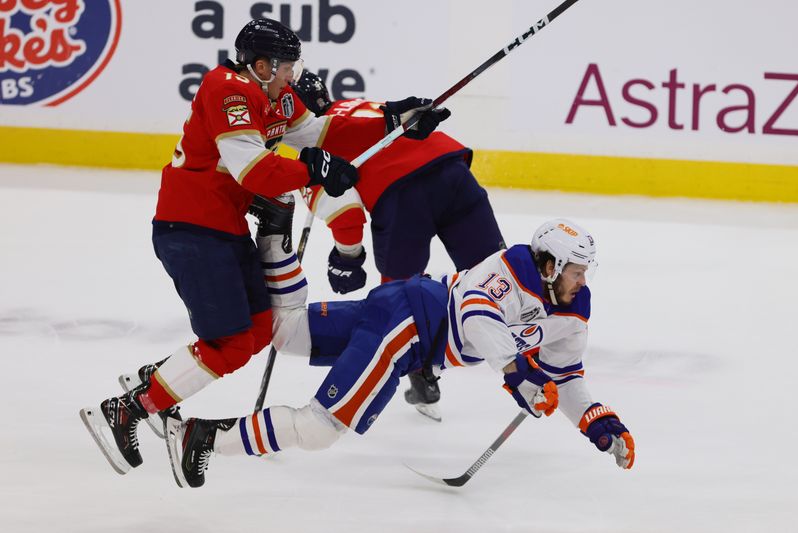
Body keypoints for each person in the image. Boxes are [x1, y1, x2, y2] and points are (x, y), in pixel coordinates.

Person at [79, 18, 449, 476]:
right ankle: (127, 409)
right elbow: (253, 172)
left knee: (255, 332)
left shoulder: (274, 94)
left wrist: (394, 118)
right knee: (231, 344)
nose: (293, 76)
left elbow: (320, 131)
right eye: (287, 68)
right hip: (191, 230)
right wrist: (314, 171)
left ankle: (149, 384)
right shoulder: (227, 91)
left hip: (223, 229)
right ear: (260, 65)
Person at [164, 210, 636, 488]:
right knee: (322, 427)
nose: (582, 280)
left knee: (283, 330)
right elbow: (476, 316)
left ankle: (273, 235)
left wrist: (598, 423)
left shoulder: (573, 310)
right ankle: (199, 439)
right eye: (576, 269)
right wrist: (519, 374)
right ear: (550, 265)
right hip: (407, 325)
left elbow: (566, 375)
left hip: (404, 317)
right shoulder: (511, 268)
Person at [290, 69, 507, 420]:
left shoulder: (310, 147)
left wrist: (347, 258)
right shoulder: (356, 108)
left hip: (402, 197)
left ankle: (421, 375)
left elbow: (345, 216)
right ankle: (535, 351)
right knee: (498, 278)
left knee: (400, 302)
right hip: (453, 173)